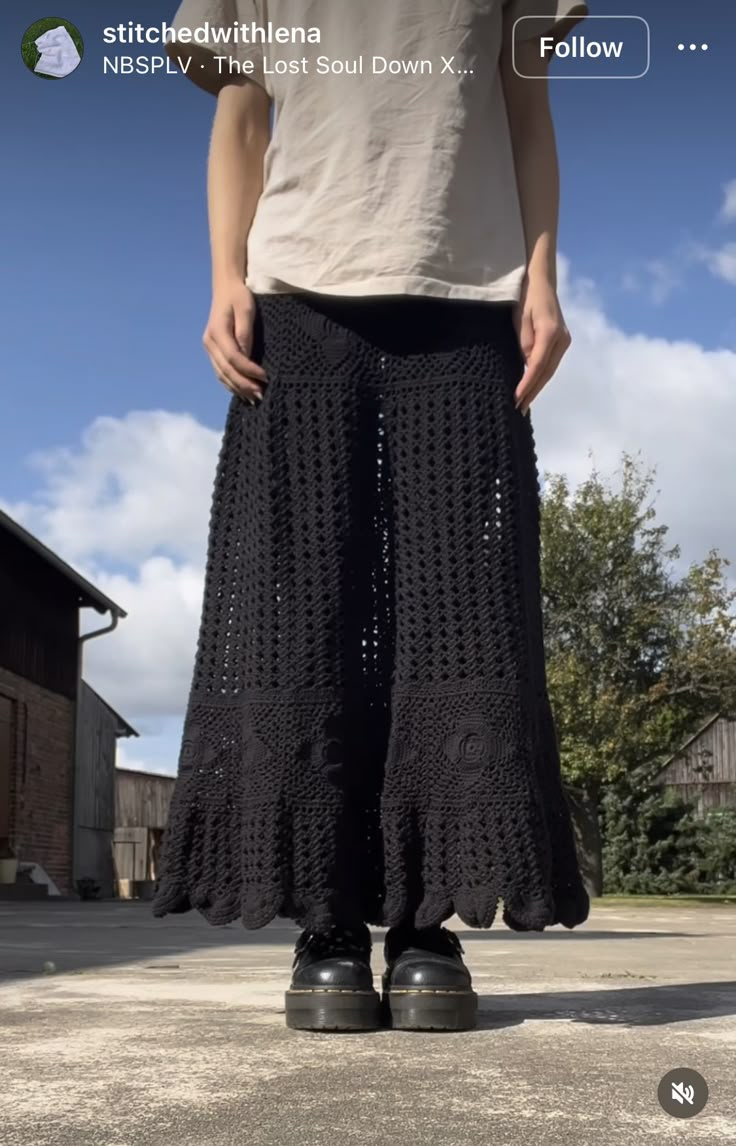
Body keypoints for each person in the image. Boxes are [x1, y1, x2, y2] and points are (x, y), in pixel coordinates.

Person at [152, 0, 591, 1034]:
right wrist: (223, 275)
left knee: (455, 617)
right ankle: (332, 923)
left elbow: (523, 106)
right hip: (296, 297)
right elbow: (243, 111)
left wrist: (543, 276)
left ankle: (423, 921)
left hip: (467, 300)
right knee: (303, 614)